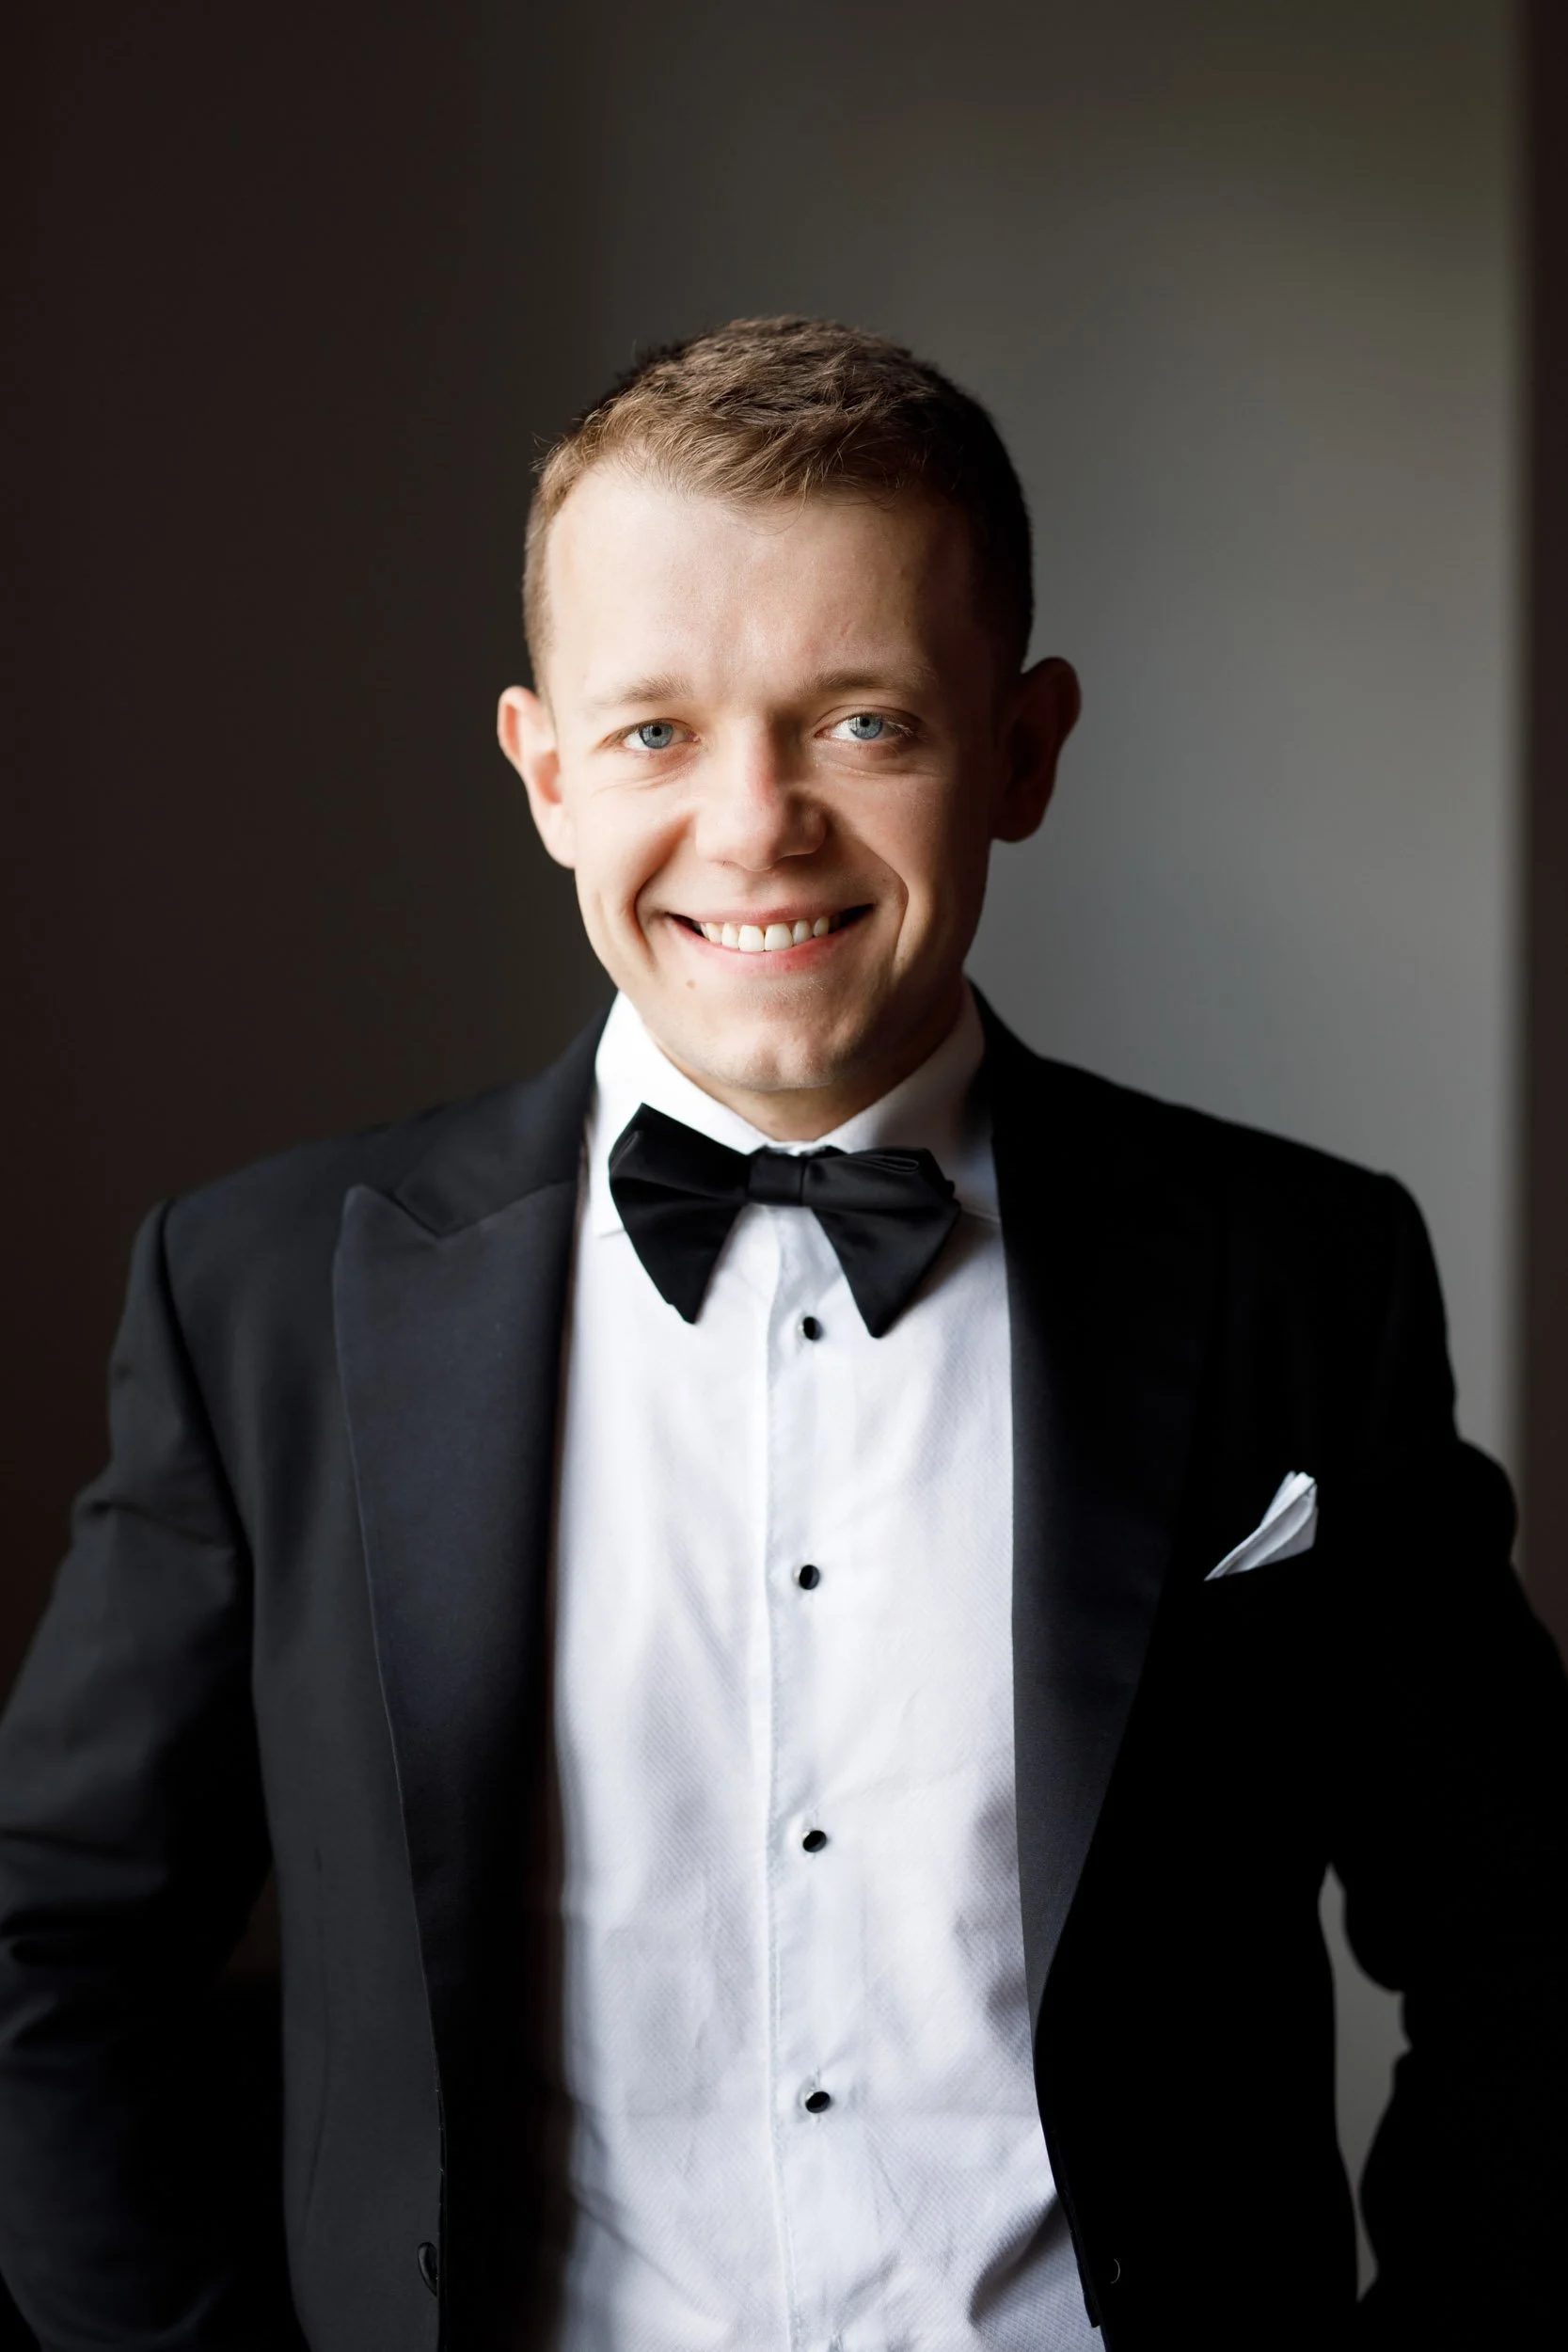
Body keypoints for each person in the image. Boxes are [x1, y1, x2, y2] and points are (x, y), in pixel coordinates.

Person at [1, 316, 1564, 2352]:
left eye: (861, 723)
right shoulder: (258, 1295)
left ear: (1022, 748)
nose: (755, 827)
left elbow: (1527, 1940)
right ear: (543, 771)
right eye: (654, 732)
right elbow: (51, 1945)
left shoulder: (1298, 1275)